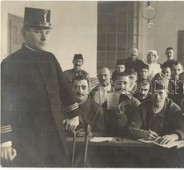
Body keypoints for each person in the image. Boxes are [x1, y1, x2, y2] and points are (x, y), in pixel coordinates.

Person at [1, 7, 79, 167]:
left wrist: (74, 114)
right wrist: (5, 141)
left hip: (54, 137)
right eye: (38, 31)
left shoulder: (50, 58)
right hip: (25, 140)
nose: (44, 37)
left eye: (47, 32)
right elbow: (2, 104)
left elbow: (64, 89)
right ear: (24, 33)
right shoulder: (10, 64)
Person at [127, 73, 184, 167]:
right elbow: (130, 129)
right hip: (145, 153)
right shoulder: (142, 108)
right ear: (150, 93)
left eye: (160, 93)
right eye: (154, 92)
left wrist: (173, 136)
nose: (157, 97)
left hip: (167, 154)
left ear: (167, 94)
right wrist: (143, 133)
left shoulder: (173, 109)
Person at [71, 75, 106, 167]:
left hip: (88, 149)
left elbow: (101, 133)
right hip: (69, 146)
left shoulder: (97, 109)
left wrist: (90, 134)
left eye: (83, 87)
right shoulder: (64, 107)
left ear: (89, 89)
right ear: (71, 89)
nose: (80, 91)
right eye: (76, 87)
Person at [105, 72, 140, 136]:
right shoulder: (107, 100)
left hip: (128, 139)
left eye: (125, 83)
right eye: (118, 83)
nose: (122, 86)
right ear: (113, 84)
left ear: (129, 85)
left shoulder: (135, 103)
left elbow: (136, 128)